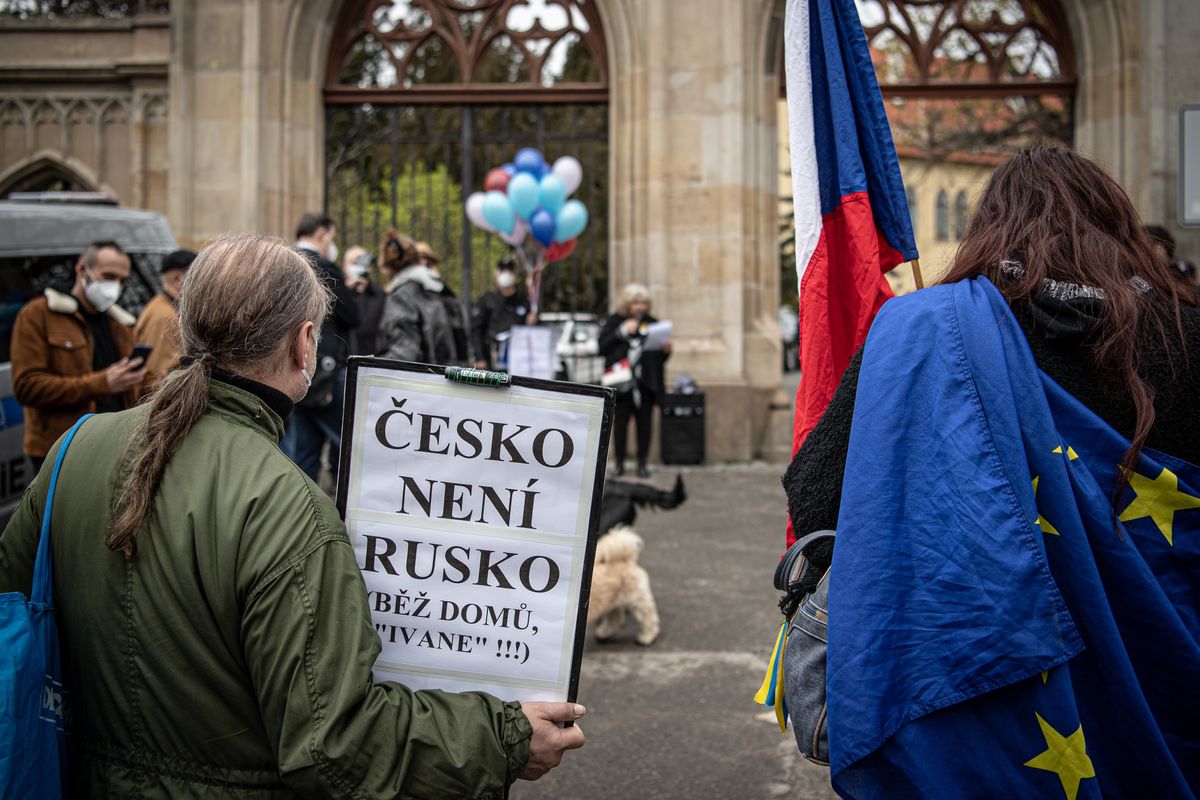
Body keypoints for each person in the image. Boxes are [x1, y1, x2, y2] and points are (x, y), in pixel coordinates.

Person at [0, 233, 585, 796]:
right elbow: (335, 748)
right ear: (304, 343)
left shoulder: (74, 448)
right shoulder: (288, 507)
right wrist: (505, 736)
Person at [782, 147, 1200, 796]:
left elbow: (813, 499)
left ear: (988, 229)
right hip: (1165, 694)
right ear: (1120, 226)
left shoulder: (922, 333)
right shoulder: (1187, 338)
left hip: (976, 702)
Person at [10, 240, 145, 472]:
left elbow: (135, 383)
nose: (115, 287)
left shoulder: (120, 323)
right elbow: (27, 386)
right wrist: (102, 383)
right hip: (59, 449)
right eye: (109, 276)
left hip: (113, 445)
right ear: (82, 269)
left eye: (122, 280)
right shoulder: (38, 314)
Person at [281, 212, 360, 482]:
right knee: (349, 447)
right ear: (321, 234)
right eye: (332, 237)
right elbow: (352, 315)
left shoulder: (282, 263)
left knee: (303, 452)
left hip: (292, 369)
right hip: (325, 371)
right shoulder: (323, 266)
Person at [599, 283, 671, 478]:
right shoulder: (615, 321)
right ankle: (620, 462)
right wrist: (620, 332)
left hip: (645, 383)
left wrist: (666, 350)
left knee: (645, 425)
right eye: (635, 303)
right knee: (620, 425)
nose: (639, 307)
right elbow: (601, 347)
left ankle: (642, 463)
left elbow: (659, 360)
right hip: (621, 383)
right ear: (627, 304)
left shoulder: (652, 323)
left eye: (643, 303)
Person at [376, 230, 457, 363]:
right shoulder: (440, 290)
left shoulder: (401, 297)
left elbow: (403, 354)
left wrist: (374, 368)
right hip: (447, 378)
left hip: (419, 379)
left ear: (388, 268)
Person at [133, 248, 195, 394]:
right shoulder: (165, 316)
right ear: (177, 279)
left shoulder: (161, 305)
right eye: (198, 279)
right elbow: (159, 378)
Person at [471, 258, 534, 370]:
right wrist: (480, 358)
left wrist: (533, 323)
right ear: (496, 273)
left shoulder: (524, 301)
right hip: (492, 360)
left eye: (509, 270)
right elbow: (477, 331)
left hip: (518, 361)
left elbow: (534, 335)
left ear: (516, 274)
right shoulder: (486, 300)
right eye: (502, 270)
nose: (506, 274)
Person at [418, 240, 471, 365]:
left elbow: (459, 328)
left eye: (426, 259)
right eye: (419, 259)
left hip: (444, 357)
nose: (423, 263)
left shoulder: (443, 292)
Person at [342, 245, 385, 357]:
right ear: (344, 266)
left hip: (372, 359)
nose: (359, 267)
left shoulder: (380, 295)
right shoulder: (338, 294)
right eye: (353, 262)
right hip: (343, 360)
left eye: (362, 261)